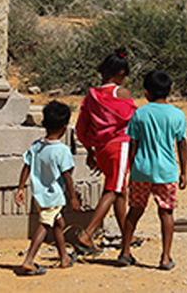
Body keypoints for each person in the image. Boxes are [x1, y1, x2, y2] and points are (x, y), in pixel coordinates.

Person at [119, 70, 187, 271]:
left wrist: (132, 168)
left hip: (141, 170)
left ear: (146, 92)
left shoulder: (140, 114)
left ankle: (125, 252)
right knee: (166, 213)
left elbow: (133, 143)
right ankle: (165, 257)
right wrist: (184, 172)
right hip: (166, 172)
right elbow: (181, 143)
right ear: (170, 89)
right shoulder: (177, 114)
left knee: (135, 211)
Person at [73, 50, 136, 255]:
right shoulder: (122, 93)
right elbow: (133, 120)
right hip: (119, 146)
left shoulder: (91, 96)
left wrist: (89, 149)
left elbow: (81, 128)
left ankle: (127, 235)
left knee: (119, 190)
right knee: (112, 190)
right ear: (120, 73)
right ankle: (87, 234)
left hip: (100, 148)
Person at [15, 101, 81, 276]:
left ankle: (64, 257)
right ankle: (29, 260)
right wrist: (73, 197)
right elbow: (67, 176)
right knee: (44, 225)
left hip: (39, 195)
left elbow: (27, 166)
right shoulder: (62, 150)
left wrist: (20, 188)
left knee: (58, 223)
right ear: (65, 126)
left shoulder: (36, 146)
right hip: (53, 196)